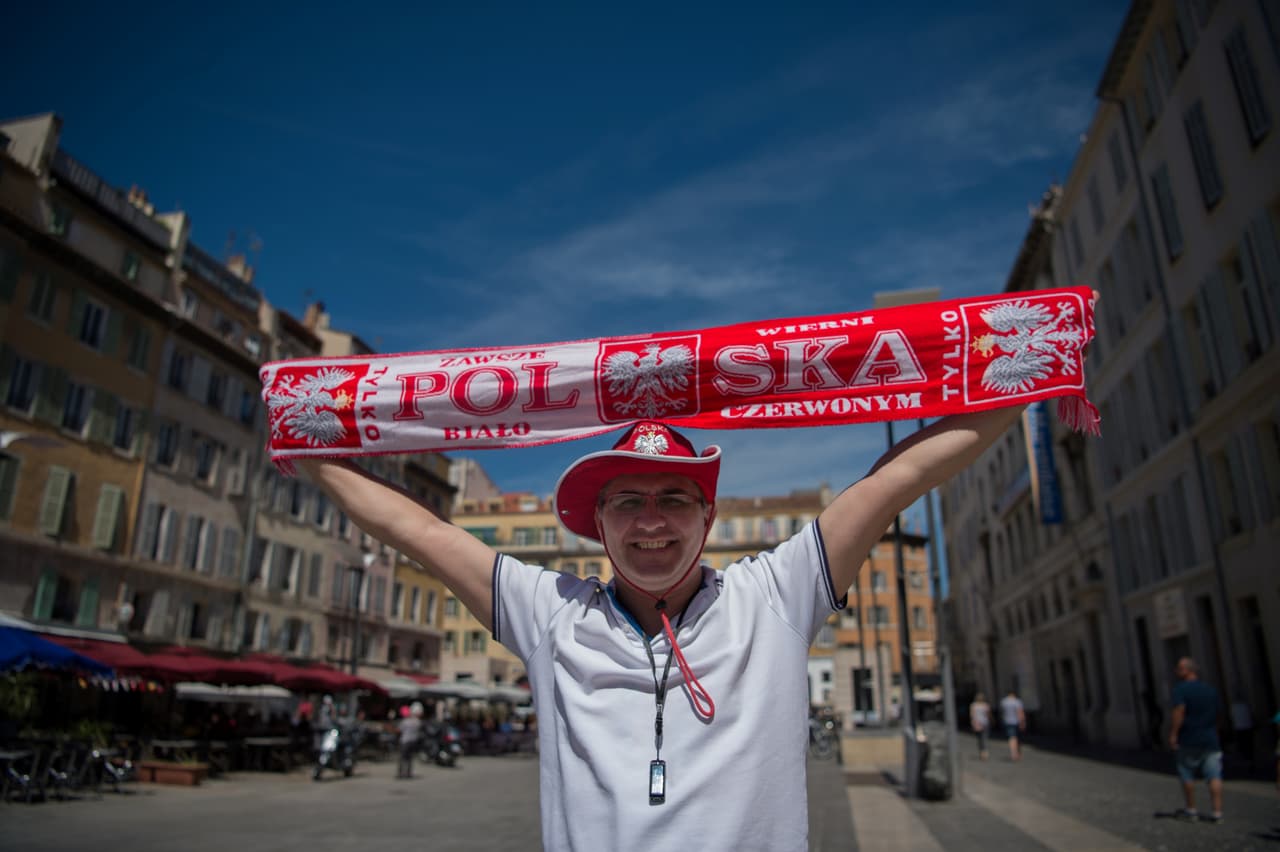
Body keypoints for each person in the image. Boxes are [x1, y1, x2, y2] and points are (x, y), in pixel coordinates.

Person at [297, 406, 1025, 851]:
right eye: (628, 501)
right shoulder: (551, 612)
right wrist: (302, 443)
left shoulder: (774, 594)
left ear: (708, 516)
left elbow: (897, 479)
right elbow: (419, 530)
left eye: (674, 497)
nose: (651, 521)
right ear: (598, 522)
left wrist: (1036, 378)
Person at [1169, 656, 1224, 823]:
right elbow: (1219, 714)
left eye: (1179, 668)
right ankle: (1217, 812)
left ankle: (1191, 809)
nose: (1176, 671)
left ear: (1186, 671)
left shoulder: (1180, 690)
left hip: (1188, 738)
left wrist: (1174, 733)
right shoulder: (1210, 690)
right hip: (1210, 739)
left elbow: (1179, 711)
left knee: (1187, 775)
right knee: (1214, 776)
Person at [397, 702, 424, 779]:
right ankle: (408, 773)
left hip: (405, 741)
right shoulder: (418, 722)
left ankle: (401, 773)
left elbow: (399, 730)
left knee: (402, 758)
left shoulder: (406, 721)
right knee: (409, 758)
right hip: (413, 741)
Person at [999, 690, 1026, 761]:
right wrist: (1022, 722)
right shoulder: (1017, 701)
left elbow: (1002, 712)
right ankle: (1017, 753)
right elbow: (1020, 712)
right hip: (1016, 722)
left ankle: (1013, 753)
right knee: (1017, 738)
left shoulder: (1004, 702)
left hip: (1007, 721)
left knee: (1011, 738)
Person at [969, 692, 992, 761]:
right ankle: (985, 752)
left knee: (979, 739)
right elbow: (988, 715)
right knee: (984, 738)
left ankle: (982, 752)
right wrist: (991, 720)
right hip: (985, 723)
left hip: (977, 723)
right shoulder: (985, 705)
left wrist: (973, 722)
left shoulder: (973, 705)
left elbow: (972, 715)